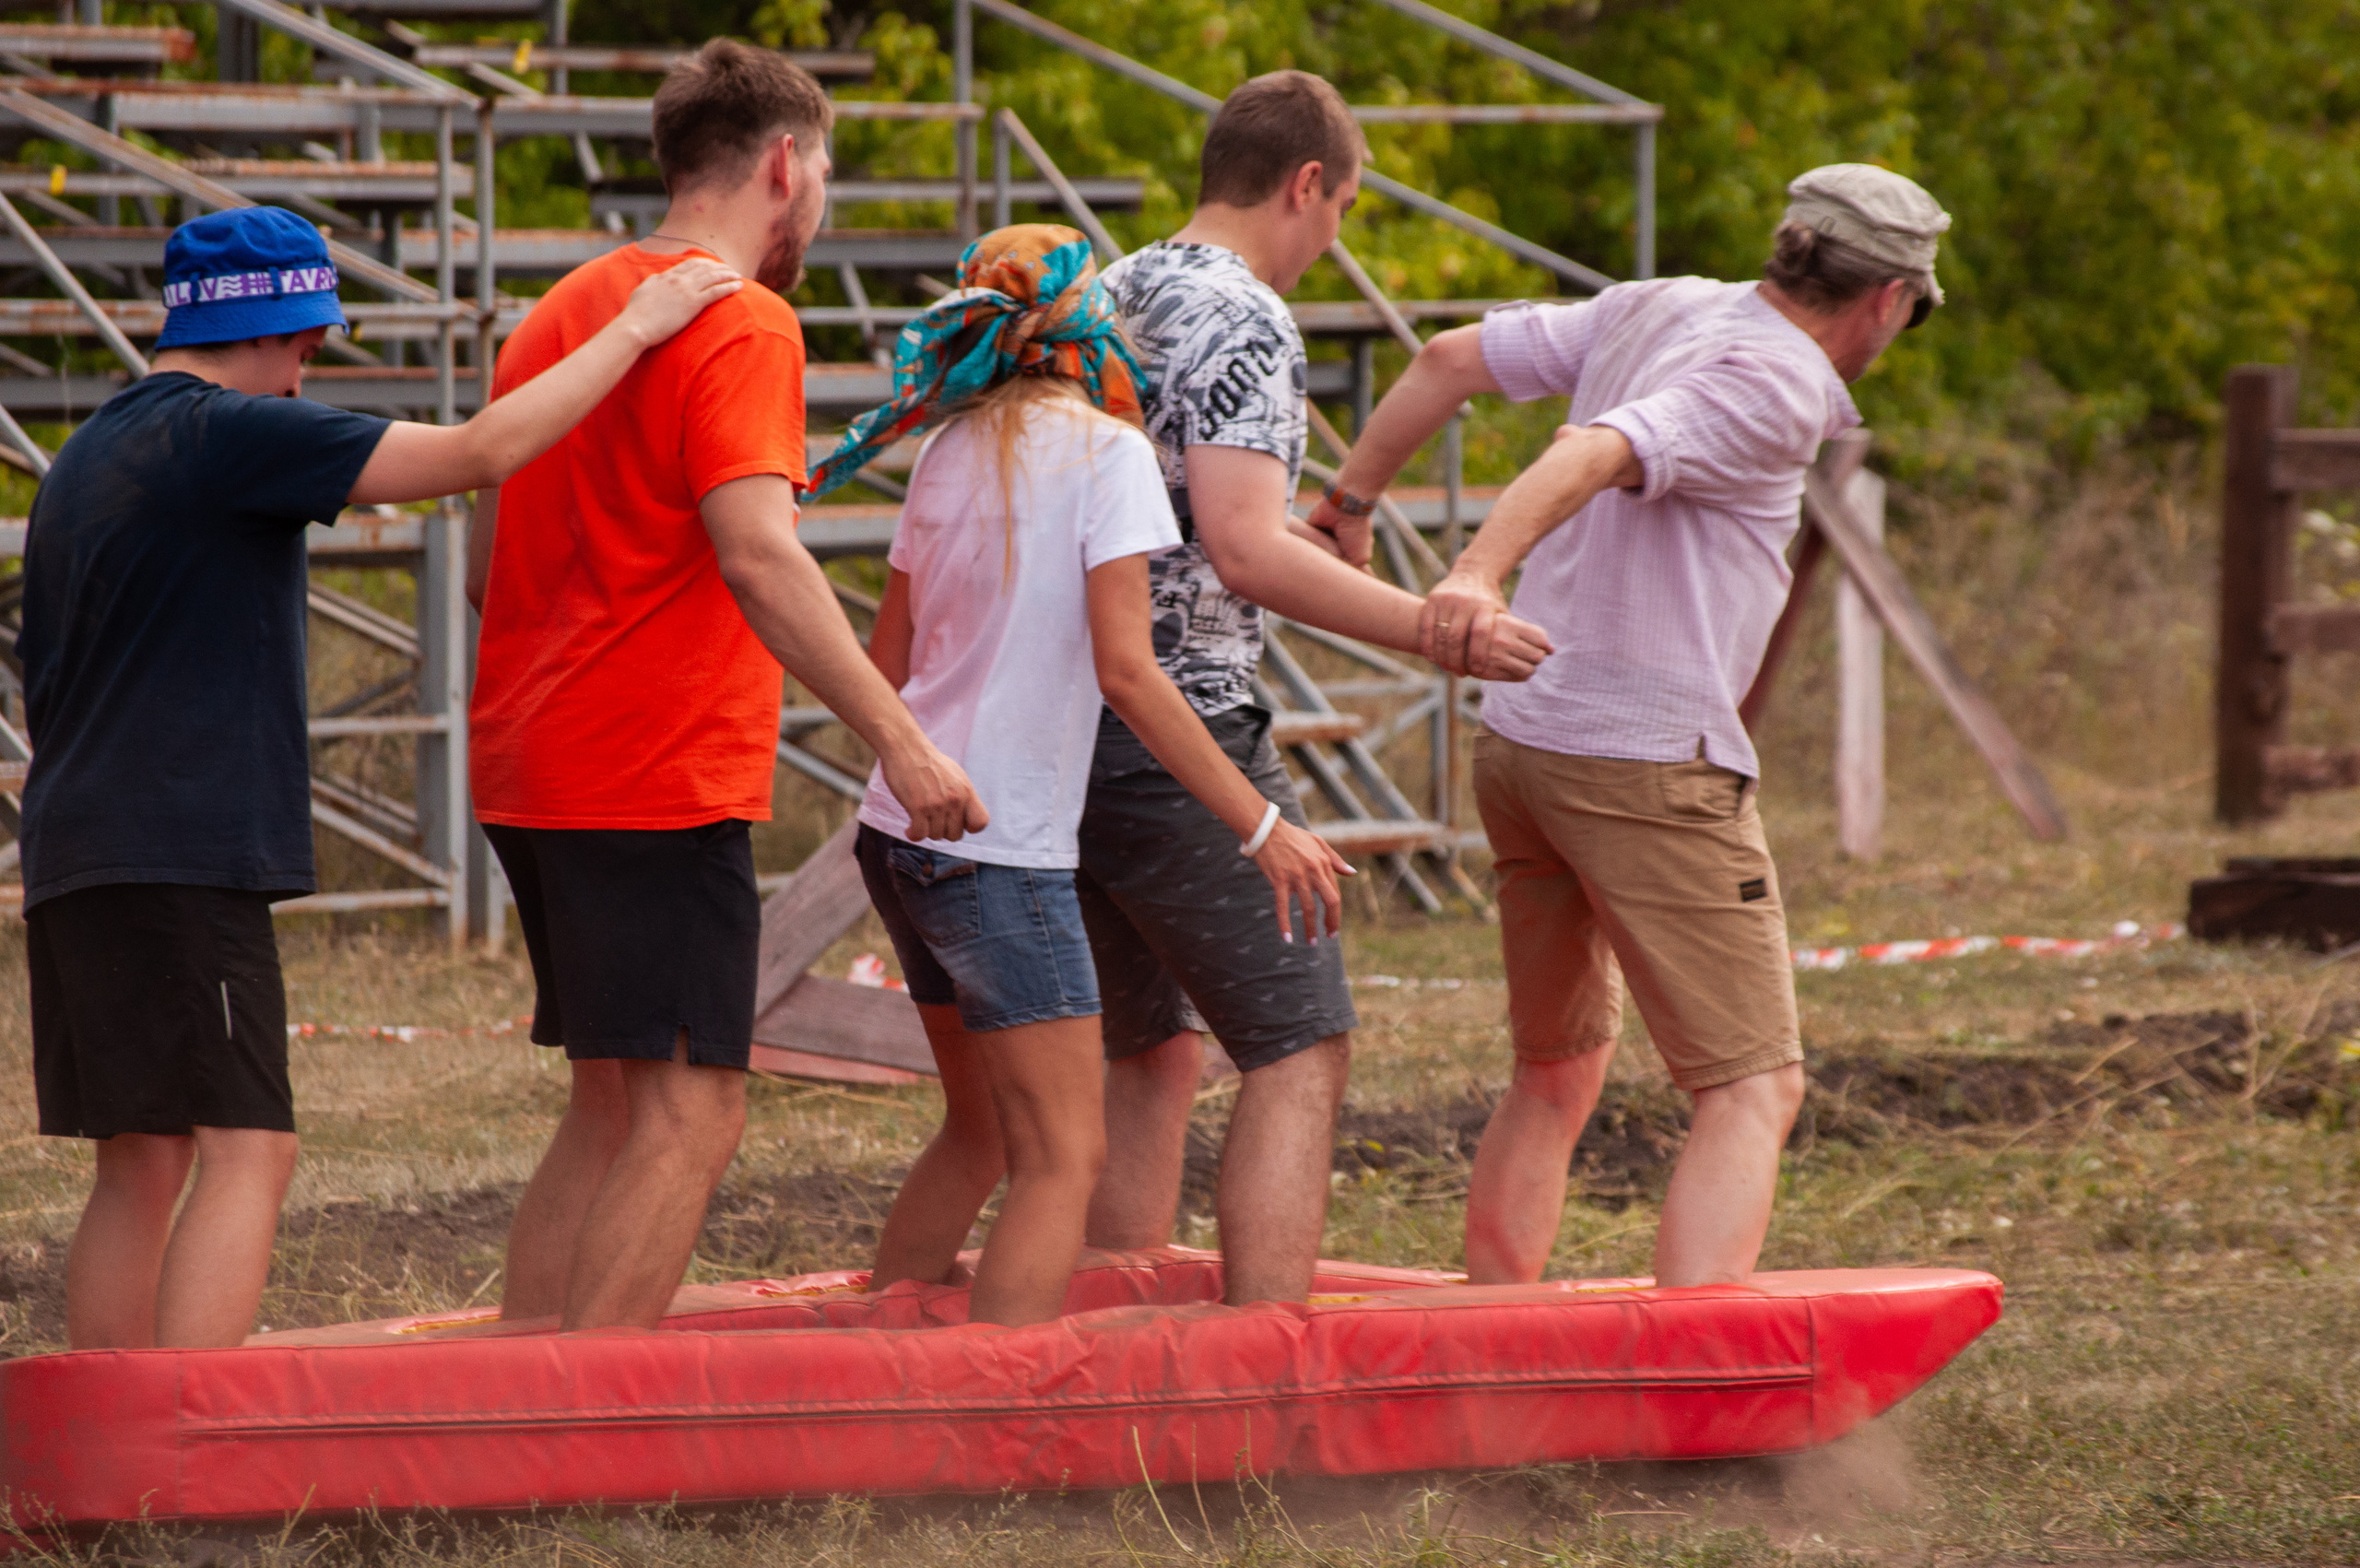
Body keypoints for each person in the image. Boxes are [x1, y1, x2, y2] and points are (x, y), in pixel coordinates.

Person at [17, 205, 742, 1350]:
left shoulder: (93, 452)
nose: (308, 376)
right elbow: (479, 454)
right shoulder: (224, 431)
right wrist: (634, 329)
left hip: (78, 846)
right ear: (262, 328)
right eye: (305, 348)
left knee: (142, 1158)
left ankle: (115, 1450)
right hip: (179, 850)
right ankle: (196, 1454)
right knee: (250, 1147)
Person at [1304, 164, 1952, 1287]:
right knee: (1753, 1086)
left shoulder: (1665, 302)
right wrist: (1471, 577)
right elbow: (1592, 449)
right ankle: (1693, 1387)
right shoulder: (1782, 379)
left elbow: (1449, 359)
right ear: (1889, 298)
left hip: (1524, 747)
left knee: (1556, 1069)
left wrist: (1347, 504)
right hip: (1646, 763)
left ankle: (1494, 1343)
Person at [469, 41, 985, 1333]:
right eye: (826, 178)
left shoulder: (561, 309)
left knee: (613, 1102)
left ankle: (514, 1407)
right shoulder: (743, 316)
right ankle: (586, 1426)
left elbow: (489, 564)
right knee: (695, 1107)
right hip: (646, 770)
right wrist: (902, 736)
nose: (822, 207)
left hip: (531, 760)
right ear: (780, 166)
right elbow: (760, 550)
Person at [804, 225, 1353, 1326]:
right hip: (1000, 852)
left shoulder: (946, 453)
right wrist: (1261, 827)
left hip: (900, 830)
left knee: (977, 1133)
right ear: (1089, 329)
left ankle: (882, 1364)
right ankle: (990, 1409)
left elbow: (889, 667)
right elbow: (1133, 678)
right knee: (1061, 1156)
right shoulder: (1109, 458)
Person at [1079, 70, 1555, 1307]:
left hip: (1066, 721)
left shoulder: (1108, 285)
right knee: (1298, 1046)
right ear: (1306, 186)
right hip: (1180, 726)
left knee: (1150, 1049)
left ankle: (1098, 1326)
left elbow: (1175, 514)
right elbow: (1240, 549)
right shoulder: (1248, 317)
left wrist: (1301, 522)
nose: (1330, 243)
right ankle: (1264, 1383)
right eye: (1339, 211)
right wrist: (1434, 629)